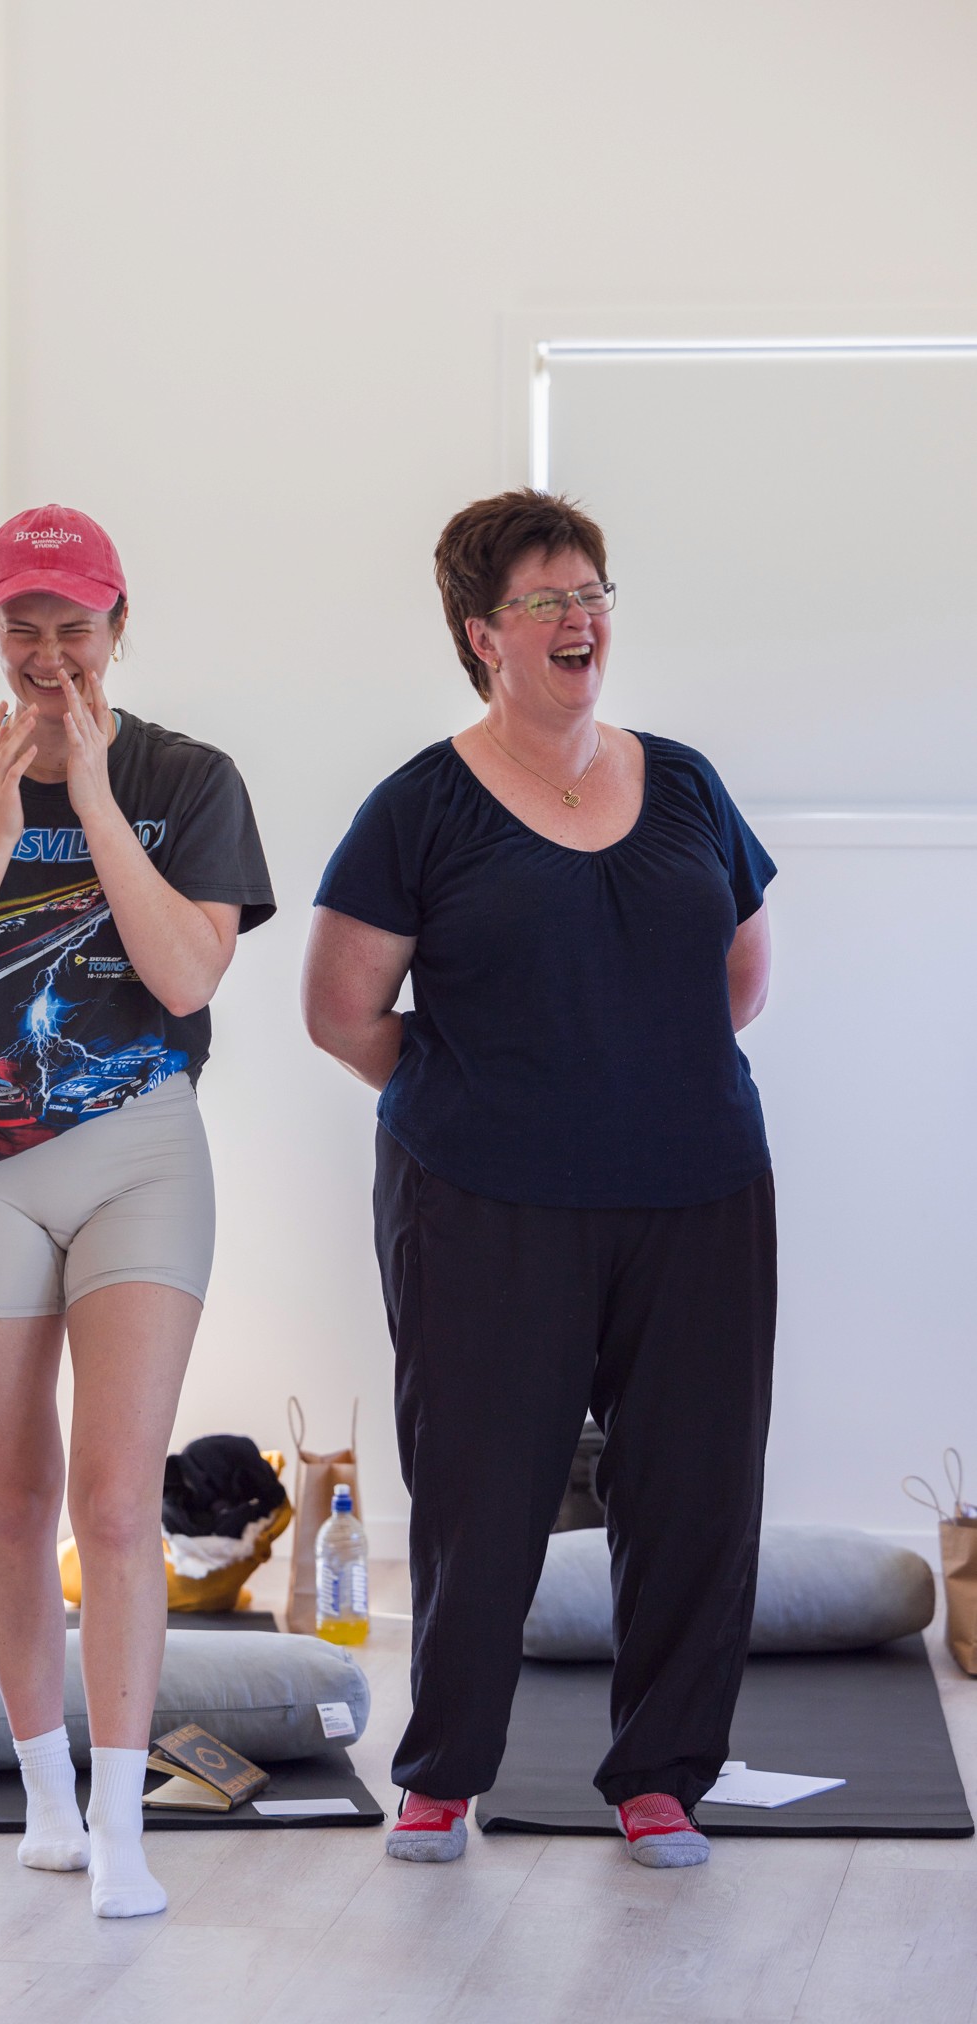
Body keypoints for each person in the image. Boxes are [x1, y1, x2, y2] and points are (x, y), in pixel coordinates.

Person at [302, 489, 776, 1869]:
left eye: (593, 595)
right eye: (545, 601)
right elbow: (341, 1011)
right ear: (479, 636)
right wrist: (494, 1095)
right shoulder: (421, 806)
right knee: (479, 1486)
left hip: (698, 1190)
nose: (580, 621)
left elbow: (735, 976)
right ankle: (444, 1777)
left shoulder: (681, 780)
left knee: (693, 1487)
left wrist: (627, 1074)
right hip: (483, 1200)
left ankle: (660, 1782)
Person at [0, 503, 274, 1916]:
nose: (46, 652)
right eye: (19, 625)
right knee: (13, 1499)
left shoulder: (186, 777)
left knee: (111, 1495)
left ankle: (124, 1831)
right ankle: (43, 1804)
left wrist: (89, 799)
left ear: (116, 627)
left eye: (71, 626)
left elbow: (188, 978)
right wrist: (7, 816)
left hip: (141, 1151)